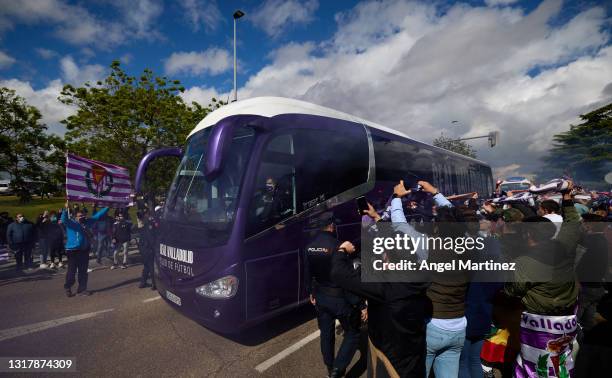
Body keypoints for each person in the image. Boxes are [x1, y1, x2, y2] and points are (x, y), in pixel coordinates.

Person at [504, 182, 581, 377]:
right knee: (561, 365)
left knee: (537, 368)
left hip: (539, 326)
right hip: (566, 321)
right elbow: (572, 223)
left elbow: (512, 291)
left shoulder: (525, 262)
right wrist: (567, 198)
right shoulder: (565, 246)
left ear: (528, 234)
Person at [304, 212, 362, 378]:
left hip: (321, 297)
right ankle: (337, 370)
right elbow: (349, 277)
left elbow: (308, 273)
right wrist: (360, 304)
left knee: (326, 333)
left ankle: (329, 367)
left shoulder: (310, 247)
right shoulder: (340, 247)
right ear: (331, 226)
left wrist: (310, 292)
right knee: (353, 332)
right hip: (340, 298)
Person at [61, 201, 109, 297]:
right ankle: (68, 287)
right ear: (75, 217)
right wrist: (66, 210)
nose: (82, 217)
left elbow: (98, 215)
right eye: (79, 216)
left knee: (83, 272)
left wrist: (107, 206)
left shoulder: (87, 223)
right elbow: (64, 220)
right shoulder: (71, 224)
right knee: (71, 272)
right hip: (72, 251)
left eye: (83, 215)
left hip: (84, 251)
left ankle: (82, 289)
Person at [576, 213, 609, 331]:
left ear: (588, 226)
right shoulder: (604, 240)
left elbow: (575, 262)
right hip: (598, 286)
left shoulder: (586, 242)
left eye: (582, 223)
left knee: (574, 320)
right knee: (588, 320)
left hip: (583, 286)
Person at [138, 209, 157, 290]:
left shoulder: (144, 224)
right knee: (151, 266)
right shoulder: (149, 225)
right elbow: (150, 239)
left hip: (143, 249)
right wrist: (154, 248)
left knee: (146, 266)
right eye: (147, 214)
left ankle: (143, 282)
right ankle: (154, 283)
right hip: (148, 249)